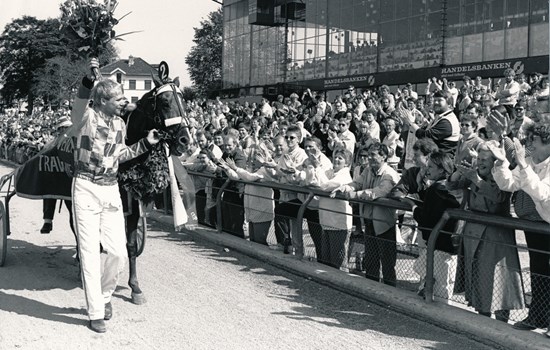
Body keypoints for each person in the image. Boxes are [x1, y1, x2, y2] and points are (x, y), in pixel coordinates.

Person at [72, 79, 159, 333]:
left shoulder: (120, 124)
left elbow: (120, 156)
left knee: (119, 253)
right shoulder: (86, 117)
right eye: (118, 98)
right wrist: (88, 82)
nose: (124, 101)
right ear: (102, 101)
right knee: (89, 254)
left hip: (110, 189)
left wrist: (146, 144)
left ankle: (105, 296)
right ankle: (96, 311)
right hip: (85, 187)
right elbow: (78, 106)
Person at [449, 141, 524, 321]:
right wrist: (459, 169)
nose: (481, 162)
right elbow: (451, 186)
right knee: (479, 282)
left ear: (494, 161)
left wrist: (475, 178)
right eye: (479, 159)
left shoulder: (501, 175)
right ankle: (482, 318)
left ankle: (501, 322)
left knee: (498, 282)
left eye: (485, 160)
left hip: (495, 238)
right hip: (474, 234)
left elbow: (498, 197)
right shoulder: (475, 172)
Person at [491, 123, 550, 333]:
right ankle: (538, 317)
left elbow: (543, 194)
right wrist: (501, 162)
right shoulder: (531, 161)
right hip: (538, 225)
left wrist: (524, 166)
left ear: (548, 142)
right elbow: (508, 184)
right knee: (539, 272)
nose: (529, 144)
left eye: (534, 140)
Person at [334, 143, 400, 286]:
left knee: (388, 263)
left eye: (373, 155)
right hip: (369, 222)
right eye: (368, 155)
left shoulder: (389, 174)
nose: (369, 158)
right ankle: (372, 289)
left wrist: (354, 194)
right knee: (371, 261)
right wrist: (345, 187)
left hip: (384, 224)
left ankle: (390, 292)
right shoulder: (368, 170)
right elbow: (357, 183)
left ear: (383, 156)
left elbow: (378, 192)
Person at [405, 151, 460, 301]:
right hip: (447, 245)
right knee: (434, 279)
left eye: (431, 167)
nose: (427, 169)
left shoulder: (436, 189)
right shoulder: (446, 187)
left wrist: (413, 206)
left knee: (440, 290)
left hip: (438, 245)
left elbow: (426, 219)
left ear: (442, 169)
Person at [40, 115, 75, 235]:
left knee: (75, 213)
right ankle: (48, 220)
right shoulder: (51, 143)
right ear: (58, 130)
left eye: (66, 127)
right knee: (48, 187)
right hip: (56, 179)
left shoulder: (76, 141)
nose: (64, 130)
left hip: (71, 181)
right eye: (62, 128)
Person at [406, 90, 460, 155]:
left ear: (449, 103)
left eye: (440, 100)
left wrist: (411, 122)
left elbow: (426, 137)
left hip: (442, 162)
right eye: (435, 100)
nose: (436, 102)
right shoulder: (441, 117)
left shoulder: (447, 121)